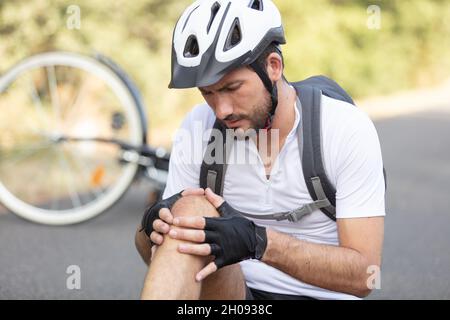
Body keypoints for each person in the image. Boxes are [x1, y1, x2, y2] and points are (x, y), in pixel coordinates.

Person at [135, 0, 385, 300]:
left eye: (232, 88)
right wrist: (149, 227)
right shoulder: (198, 127)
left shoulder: (344, 128)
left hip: (324, 296)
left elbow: (364, 276)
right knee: (188, 212)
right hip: (237, 295)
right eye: (208, 93)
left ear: (273, 67)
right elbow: (163, 257)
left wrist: (258, 242)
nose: (222, 110)